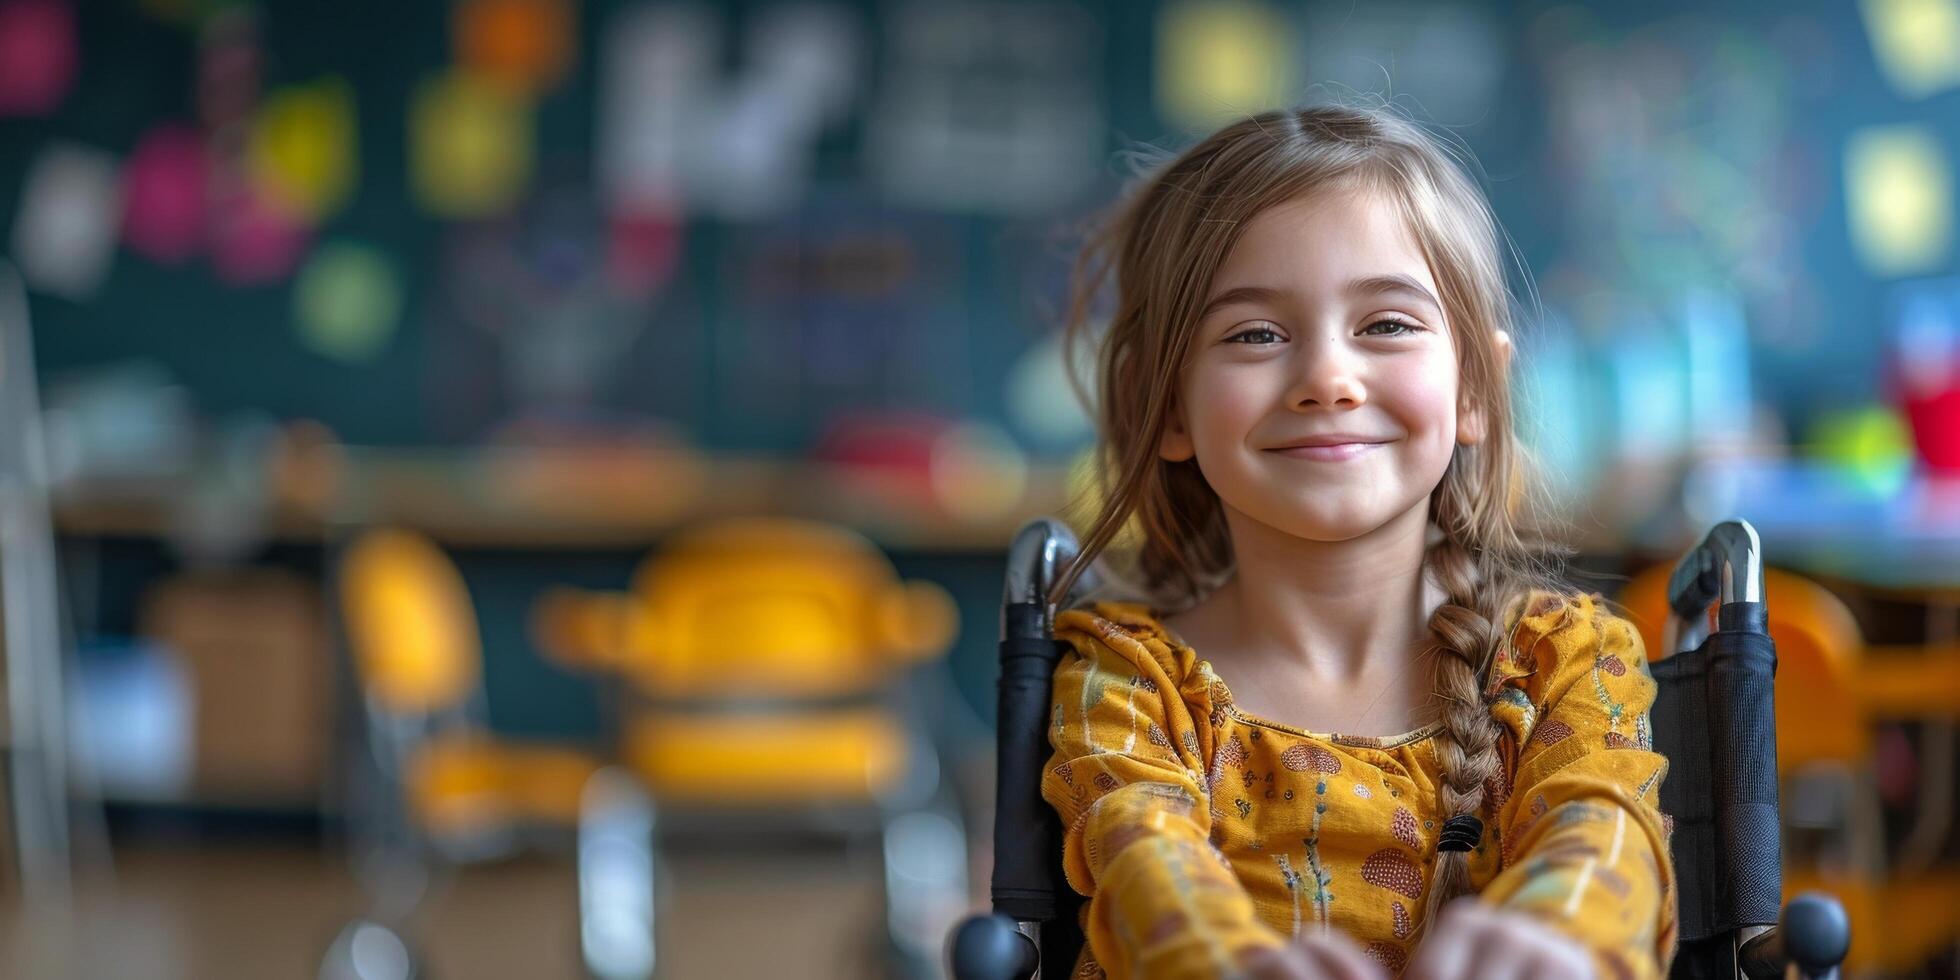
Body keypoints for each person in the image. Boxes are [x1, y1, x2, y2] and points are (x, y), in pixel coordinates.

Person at [1040, 103, 1674, 980]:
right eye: (1255, 334)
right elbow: (1148, 874)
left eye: (1386, 325)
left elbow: (1602, 841)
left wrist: (1556, 939)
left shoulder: (1563, 661)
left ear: (1476, 392)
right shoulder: (1130, 687)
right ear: (1169, 403)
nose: (1328, 379)